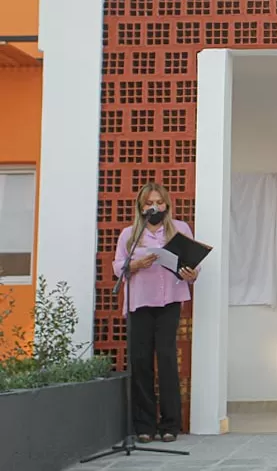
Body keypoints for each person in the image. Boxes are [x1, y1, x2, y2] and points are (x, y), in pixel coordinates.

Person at [112, 181, 198, 443]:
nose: (155, 207)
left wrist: (191, 273)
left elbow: (191, 264)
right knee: (141, 362)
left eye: (159, 203)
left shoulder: (179, 229)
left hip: (169, 301)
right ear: (141, 206)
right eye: (149, 203)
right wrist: (135, 264)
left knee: (168, 359)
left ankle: (171, 424)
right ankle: (144, 425)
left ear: (167, 205)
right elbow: (118, 267)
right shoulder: (130, 234)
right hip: (140, 303)